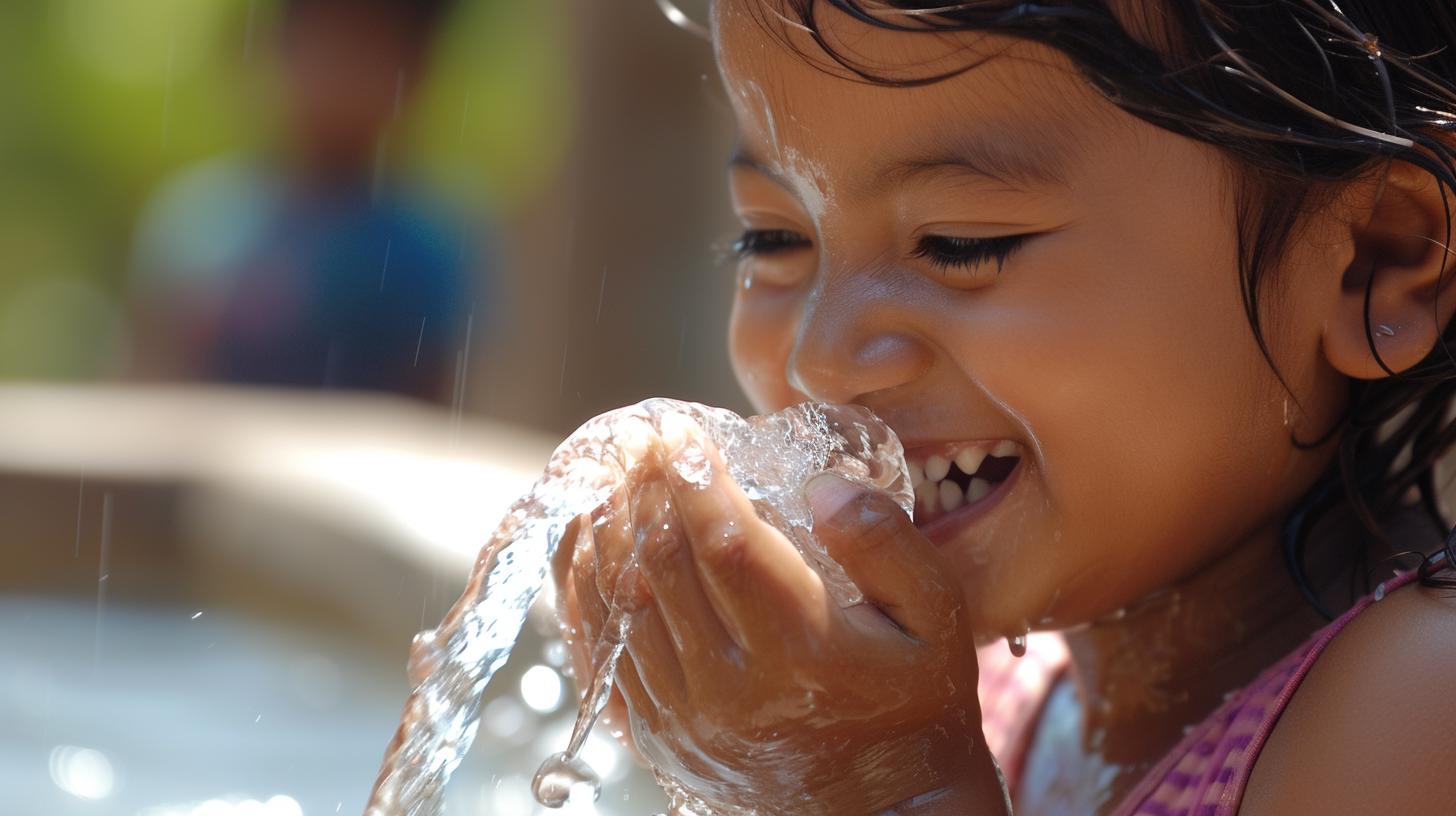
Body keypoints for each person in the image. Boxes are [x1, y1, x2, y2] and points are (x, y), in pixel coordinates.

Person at [554, 2, 1456, 814]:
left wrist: (887, 783)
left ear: (1375, 258)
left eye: (959, 243)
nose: (820, 359)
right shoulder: (997, 690)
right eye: (776, 237)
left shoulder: (1418, 707)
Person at [128, 0, 476, 402]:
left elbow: (441, 419)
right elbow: (145, 396)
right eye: (324, 44)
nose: (342, 76)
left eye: (366, 49)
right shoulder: (193, 226)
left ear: (417, 72)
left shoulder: (433, 249)